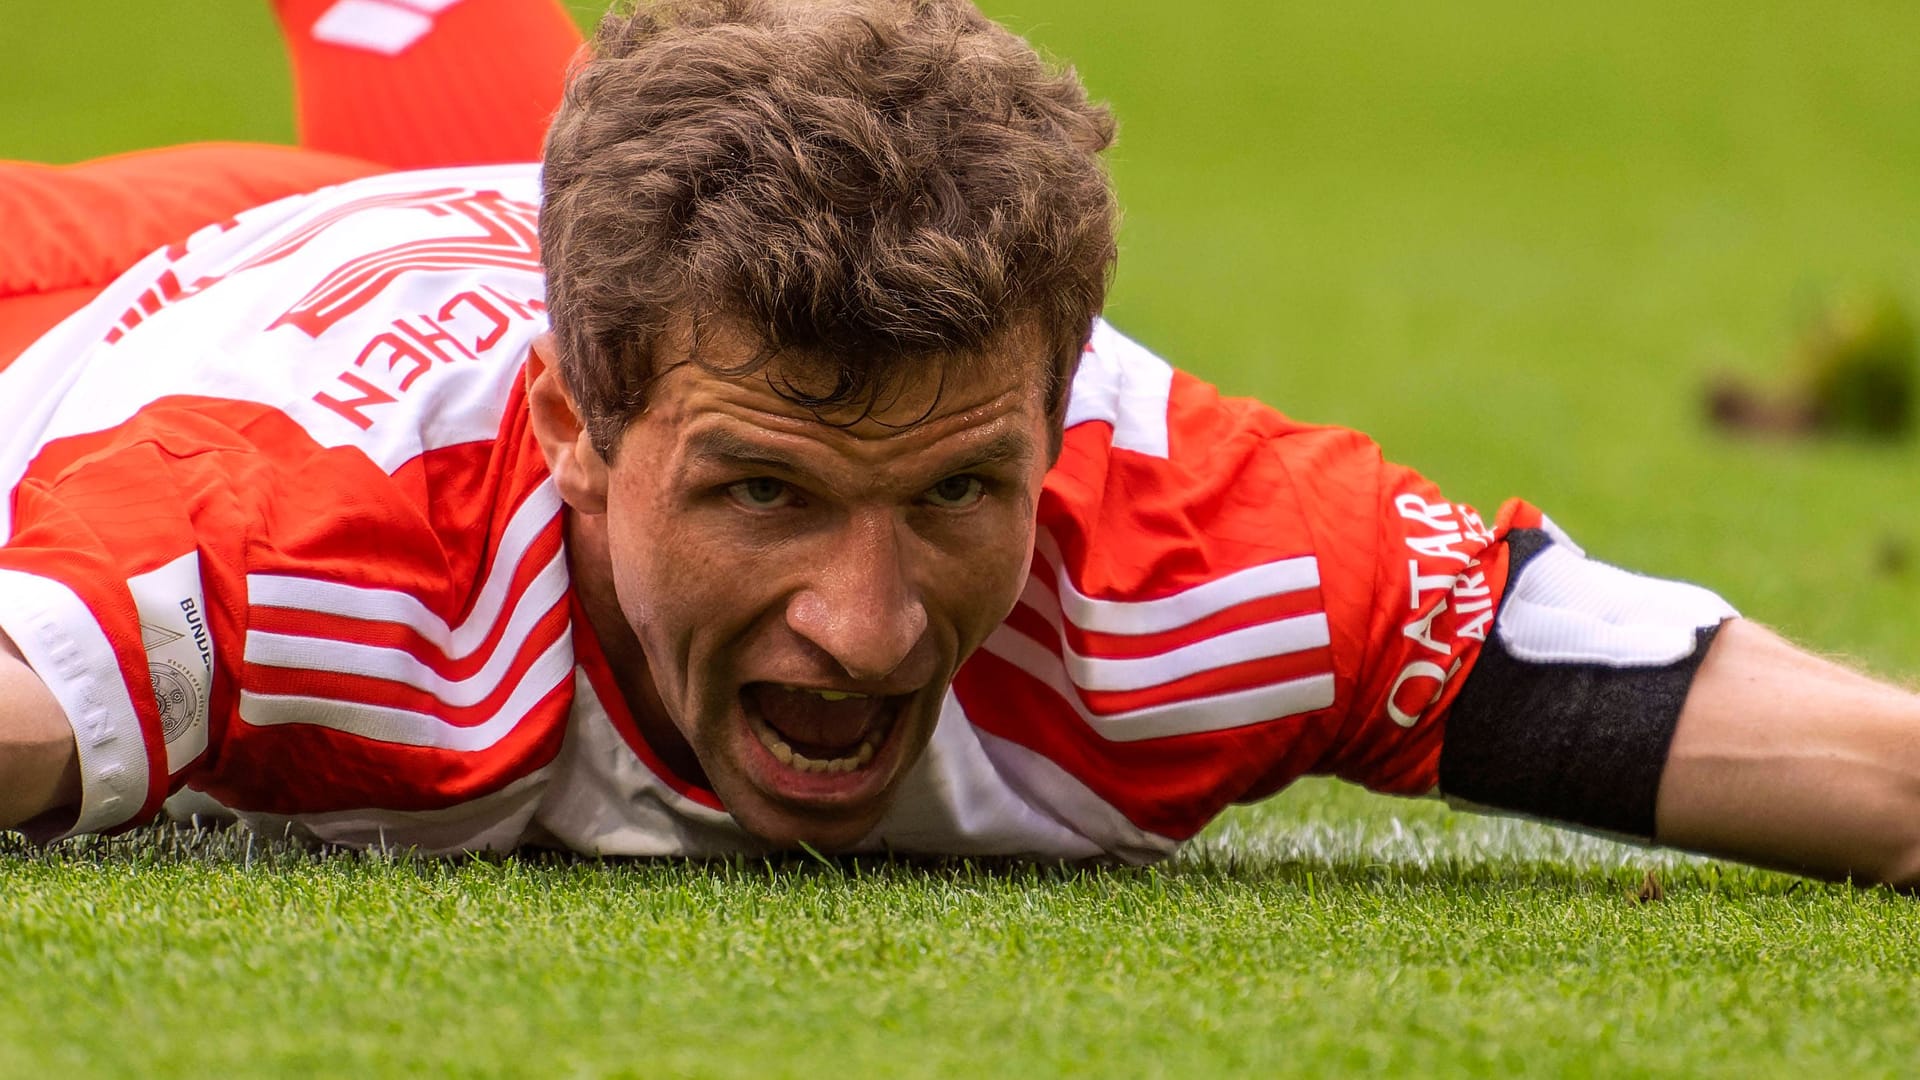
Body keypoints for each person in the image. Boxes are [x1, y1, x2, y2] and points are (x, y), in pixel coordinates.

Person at [4, 0, 1919, 883]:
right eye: (766, 493)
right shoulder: (288, 545)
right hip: (120, 297)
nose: (866, 628)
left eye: (954, 496)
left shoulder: (1185, 560)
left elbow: (1852, 769)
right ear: (574, 431)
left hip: (532, 218)